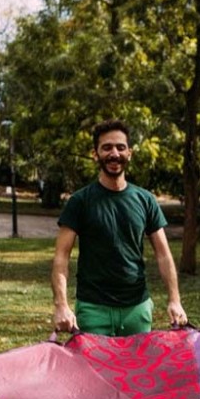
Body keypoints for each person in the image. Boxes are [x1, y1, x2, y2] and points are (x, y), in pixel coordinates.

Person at [51, 119, 187, 336]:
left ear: (129, 153)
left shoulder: (145, 200)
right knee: (94, 370)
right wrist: (61, 306)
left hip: (137, 310)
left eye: (120, 147)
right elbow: (61, 257)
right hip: (93, 310)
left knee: (137, 370)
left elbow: (163, 254)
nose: (114, 153)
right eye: (107, 147)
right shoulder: (80, 201)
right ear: (95, 154)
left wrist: (175, 300)